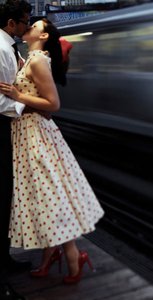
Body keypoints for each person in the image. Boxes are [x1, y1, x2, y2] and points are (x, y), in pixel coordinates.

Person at [0, 18, 105, 284]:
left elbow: (53, 103)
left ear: (43, 35)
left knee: (48, 196)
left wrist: (16, 95)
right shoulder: (32, 57)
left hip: (35, 135)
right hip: (28, 132)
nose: (30, 27)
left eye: (35, 25)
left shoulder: (36, 60)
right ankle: (50, 258)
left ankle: (73, 258)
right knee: (44, 195)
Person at [0, 0, 32, 299]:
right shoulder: (1, 49)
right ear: (11, 23)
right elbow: (1, 103)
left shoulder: (9, 48)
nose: (27, 27)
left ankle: (4, 259)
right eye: (24, 22)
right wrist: (24, 100)